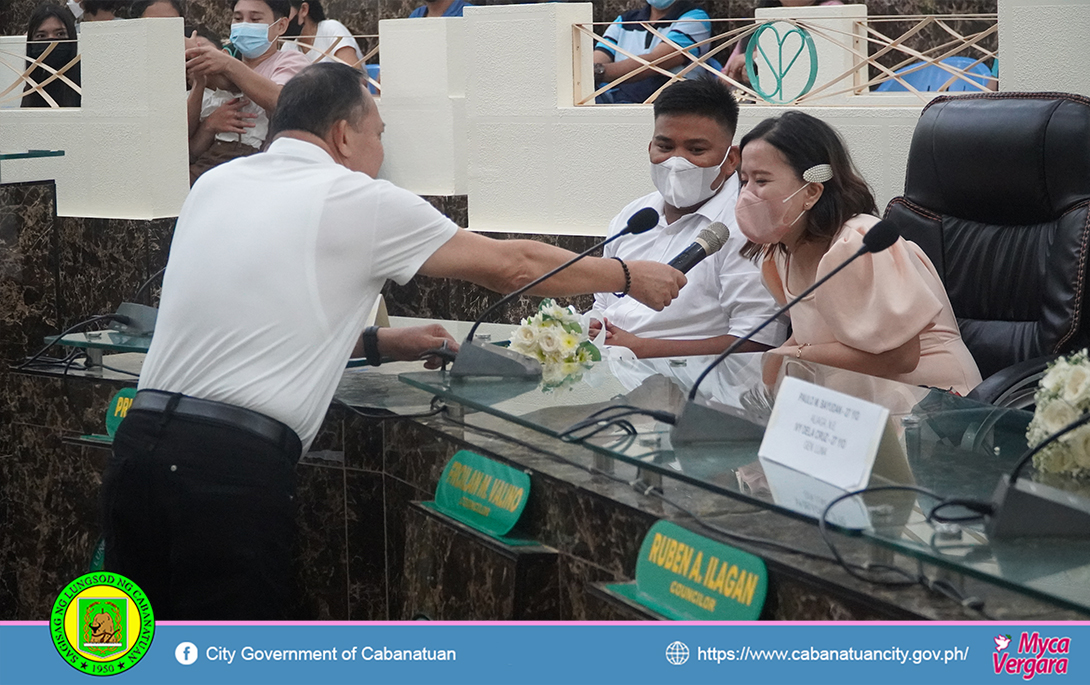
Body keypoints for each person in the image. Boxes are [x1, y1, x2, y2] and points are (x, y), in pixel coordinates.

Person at [100, 62, 686, 620]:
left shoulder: (216, 185)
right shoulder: (358, 200)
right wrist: (629, 276)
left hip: (139, 445)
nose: (382, 152)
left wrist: (379, 344)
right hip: (229, 472)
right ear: (343, 134)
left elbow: (257, 322)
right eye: (378, 133)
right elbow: (513, 265)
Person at [736, 111, 981, 394]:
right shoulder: (778, 254)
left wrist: (795, 357)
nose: (748, 194)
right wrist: (776, 366)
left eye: (762, 181)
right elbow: (815, 336)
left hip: (932, 401)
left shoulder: (860, 244)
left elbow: (902, 358)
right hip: (857, 398)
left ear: (812, 192)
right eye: (744, 181)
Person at [592, 79, 784, 358]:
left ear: (731, 159)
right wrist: (591, 327)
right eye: (665, 147)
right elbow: (603, 304)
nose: (676, 162)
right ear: (650, 148)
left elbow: (758, 340)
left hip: (699, 390)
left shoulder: (748, 226)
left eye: (696, 150)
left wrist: (642, 349)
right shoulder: (631, 218)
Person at [184, 0, 309, 181]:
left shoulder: (291, 61)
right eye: (238, 18)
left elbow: (281, 100)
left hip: (265, 174)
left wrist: (228, 64)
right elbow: (187, 144)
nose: (244, 25)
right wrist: (209, 125)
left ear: (281, 25)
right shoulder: (221, 70)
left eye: (255, 19)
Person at [186, 29, 265, 184]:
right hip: (210, 160)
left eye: (204, 52)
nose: (199, 60)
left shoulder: (245, 81)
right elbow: (187, 142)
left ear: (224, 54)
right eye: (191, 59)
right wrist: (199, 84)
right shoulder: (195, 96)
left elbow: (232, 82)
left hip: (247, 157)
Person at [593, 1, 711, 104]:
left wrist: (599, 72)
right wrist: (593, 70)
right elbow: (597, 59)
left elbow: (655, 62)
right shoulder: (624, 21)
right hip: (618, 104)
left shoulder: (697, 18)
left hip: (673, 107)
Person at [722, 0, 844, 85]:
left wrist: (758, 58)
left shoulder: (833, 10)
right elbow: (724, 78)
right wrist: (742, 74)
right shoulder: (763, 16)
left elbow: (819, 56)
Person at [22, 3, 81, 108]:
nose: (51, 41)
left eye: (60, 34)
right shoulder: (32, 88)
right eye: (41, 36)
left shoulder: (87, 82)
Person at [281, 1, 363, 66]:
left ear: (303, 9)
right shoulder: (288, 46)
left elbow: (356, 78)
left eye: (285, 12)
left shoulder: (331, 29)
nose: (281, 20)